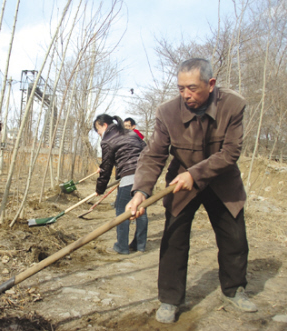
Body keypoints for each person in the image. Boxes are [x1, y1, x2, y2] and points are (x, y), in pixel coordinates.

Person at [126, 58, 257, 324]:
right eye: (181, 88)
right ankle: (170, 299)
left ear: (211, 84)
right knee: (173, 240)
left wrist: (195, 174)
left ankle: (233, 290)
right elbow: (153, 156)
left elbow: (231, 152)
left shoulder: (232, 105)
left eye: (193, 88)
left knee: (234, 238)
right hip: (181, 182)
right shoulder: (167, 112)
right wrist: (141, 191)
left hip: (222, 180)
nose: (186, 95)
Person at [94, 114, 149, 255]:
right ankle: (140, 244)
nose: (99, 134)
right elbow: (146, 149)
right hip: (145, 175)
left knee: (122, 210)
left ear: (104, 125)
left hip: (129, 177)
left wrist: (99, 189)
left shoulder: (107, 140)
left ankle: (122, 246)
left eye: (98, 130)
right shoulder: (130, 133)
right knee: (140, 208)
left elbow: (106, 167)